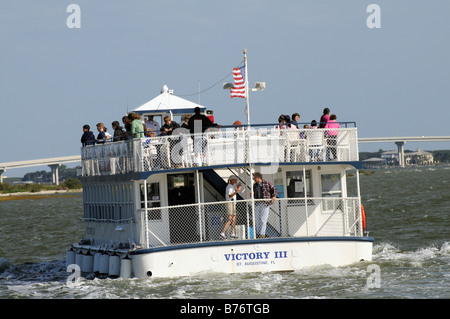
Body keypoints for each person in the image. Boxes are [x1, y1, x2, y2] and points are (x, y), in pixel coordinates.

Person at [252, 172, 277, 238]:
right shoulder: (255, 185)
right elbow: (254, 194)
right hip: (257, 203)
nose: (253, 179)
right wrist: (252, 195)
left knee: (263, 219)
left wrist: (274, 196)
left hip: (265, 203)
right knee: (257, 219)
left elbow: (274, 189)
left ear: (258, 177)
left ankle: (262, 234)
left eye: (254, 177)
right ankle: (257, 233)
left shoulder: (266, 183)